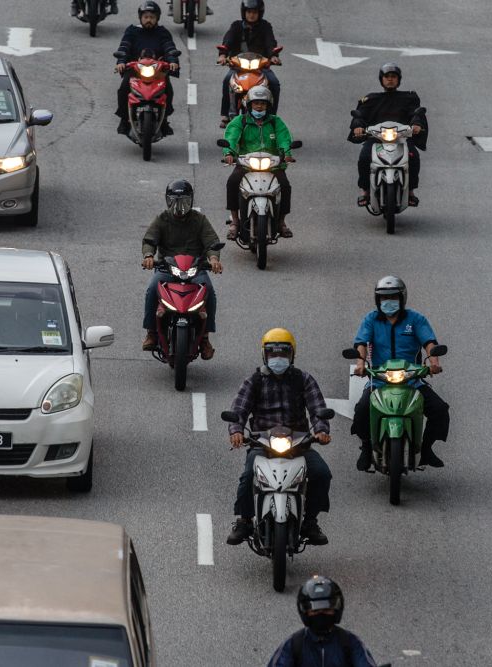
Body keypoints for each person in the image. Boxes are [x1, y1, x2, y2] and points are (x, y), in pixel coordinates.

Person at [226, 329, 332, 546]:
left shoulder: (304, 380)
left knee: (322, 474)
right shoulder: (254, 381)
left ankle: (310, 521)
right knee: (248, 477)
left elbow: (317, 408)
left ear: (292, 355)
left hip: (299, 444)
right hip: (262, 444)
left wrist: (321, 431)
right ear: (264, 355)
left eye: (283, 354)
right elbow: (238, 410)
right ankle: (245, 520)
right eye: (273, 354)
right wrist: (236, 431)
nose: (278, 359)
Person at [352, 276, 449, 470]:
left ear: (402, 298)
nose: (388, 302)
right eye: (383, 298)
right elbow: (361, 343)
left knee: (440, 410)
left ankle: (427, 448)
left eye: (393, 297)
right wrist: (360, 364)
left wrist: (434, 362)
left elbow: (429, 342)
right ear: (377, 300)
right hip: (379, 379)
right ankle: (366, 446)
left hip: (412, 379)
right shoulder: (371, 319)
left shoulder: (415, 319)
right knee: (362, 409)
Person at [141, 180, 222, 358]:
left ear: (191, 201)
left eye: (184, 201)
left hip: (196, 268)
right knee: (152, 289)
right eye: (175, 201)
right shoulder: (161, 219)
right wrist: (148, 256)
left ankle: (205, 338)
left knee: (209, 292)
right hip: (166, 268)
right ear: (168, 201)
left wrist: (214, 259)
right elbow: (149, 240)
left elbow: (211, 242)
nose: (179, 206)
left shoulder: (199, 220)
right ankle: (151, 333)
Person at [349, 63, 428, 208]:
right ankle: (365, 191)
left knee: (413, 157)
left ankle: (410, 191)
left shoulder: (409, 97)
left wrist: (417, 124)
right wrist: (358, 126)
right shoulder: (371, 99)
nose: (390, 80)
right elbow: (360, 115)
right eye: (387, 77)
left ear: (399, 80)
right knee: (365, 157)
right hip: (376, 139)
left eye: (393, 77)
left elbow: (416, 112)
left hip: (401, 138)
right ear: (381, 79)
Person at [221, 85, 294, 239]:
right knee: (232, 182)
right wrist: (229, 153)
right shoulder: (240, 121)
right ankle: (235, 221)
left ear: (268, 106)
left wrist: (286, 153)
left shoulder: (276, 122)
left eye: (263, 103)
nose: (259, 106)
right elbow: (231, 138)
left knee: (285, 186)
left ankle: (281, 222)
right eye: (256, 103)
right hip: (247, 164)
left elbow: (284, 138)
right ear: (249, 105)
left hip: (273, 165)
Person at [267, 576, 379, 667]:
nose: (321, 615)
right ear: (306, 613)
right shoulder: (293, 645)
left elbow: (365, 663)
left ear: (336, 610)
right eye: (315, 611)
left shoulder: (350, 643)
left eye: (326, 610)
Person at [115, 1, 180, 136]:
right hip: (135, 70)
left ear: (157, 18)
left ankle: (164, 120)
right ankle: (123, 119)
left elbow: (170, 48)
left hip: (157, 70)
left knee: (168, 89)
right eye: (146, 17)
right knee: (123, 89)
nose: (149, 20)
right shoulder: (132, 31)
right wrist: (121, 62)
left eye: (152, 17)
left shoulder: (162, 32)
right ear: (140, 18)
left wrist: (173, 61)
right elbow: (124, 47)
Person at [217, 0, 281, 126]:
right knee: (227, 80)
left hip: (260, 68)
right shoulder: (236, 26)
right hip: (238, 67)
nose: (252, 15)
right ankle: (226, 114)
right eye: (249, 12)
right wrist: (223, 55)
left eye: (255, 12)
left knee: (274, 83)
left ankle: (272, 116)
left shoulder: (265, 26)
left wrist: (273, 56)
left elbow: (270, 43)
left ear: (260, 13)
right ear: (244, 12)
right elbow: (227, 41)